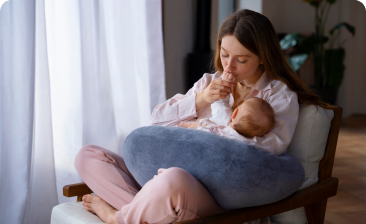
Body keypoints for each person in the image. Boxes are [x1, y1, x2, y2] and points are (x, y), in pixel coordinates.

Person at [75, 9, 328, 224]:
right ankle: (151, 207)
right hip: (165, 180)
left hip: (216, 194)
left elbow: (263, 152)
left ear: (263, 56)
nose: (228, 67)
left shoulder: (280, 96)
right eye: (225, 54)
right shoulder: (209, 82)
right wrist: (201, 100)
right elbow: (155, 123)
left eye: (241, 59)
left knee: (173, 179)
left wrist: (204, 127)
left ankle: (117, 217)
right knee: (89, 156)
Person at [179, 71, 276, 139]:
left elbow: (220, 101)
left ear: (235, 113)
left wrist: (226, 82)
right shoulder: (242, 140)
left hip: (198, 131)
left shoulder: (224, 117)